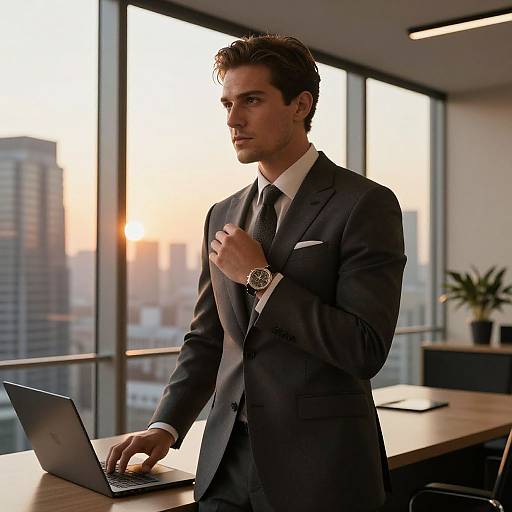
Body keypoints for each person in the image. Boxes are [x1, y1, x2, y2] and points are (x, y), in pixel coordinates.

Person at [106, 34, 407, 512]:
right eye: (227, 103)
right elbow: (208, 339)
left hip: (321, 472)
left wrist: (261, 279)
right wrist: (165, 425)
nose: (232, 119)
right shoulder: (221, 214)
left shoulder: (364, 204)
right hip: (225, 465)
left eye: (251, 100)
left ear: (300, 105)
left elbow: (363, 347)